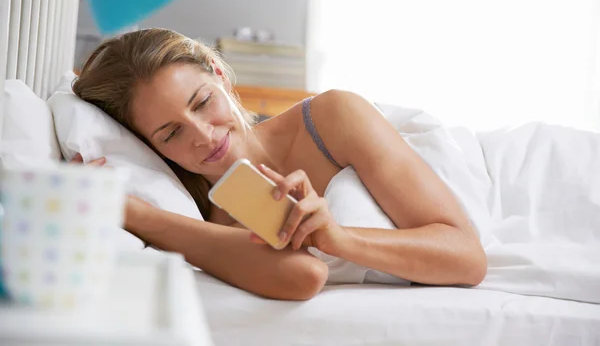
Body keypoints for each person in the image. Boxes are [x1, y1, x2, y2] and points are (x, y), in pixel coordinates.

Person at [72, 28, 487, 301]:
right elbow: (304, 276)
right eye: (170, 134)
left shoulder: (332, 117)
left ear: (219, 74)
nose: (204, 135)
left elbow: (468, 258)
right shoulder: (206, 219)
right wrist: (133, 213)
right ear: (150, 147)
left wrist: (339, 237)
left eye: (202, 102)